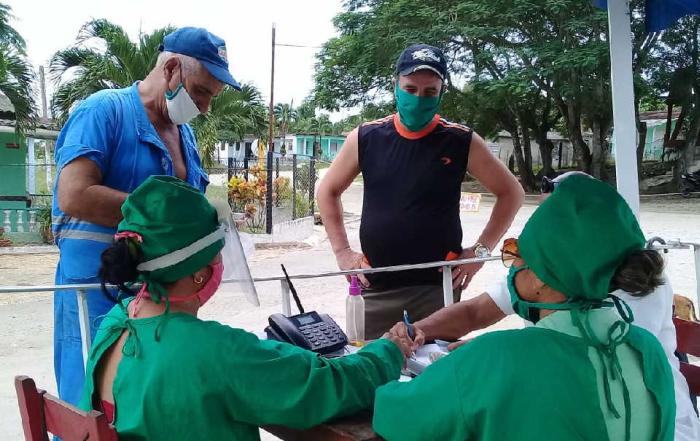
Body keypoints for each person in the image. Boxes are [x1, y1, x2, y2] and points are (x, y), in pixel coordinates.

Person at [80, 175, 412, 441]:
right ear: (199, 274)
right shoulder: (214, 352)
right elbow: (329, 387)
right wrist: (390, 351)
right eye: (218, 253)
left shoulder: (117, 320)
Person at [374, 175, 675, 441]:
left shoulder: (496, 358)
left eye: (518, 252)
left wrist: (385, 355)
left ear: (543, 278)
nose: (512, 263)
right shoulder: (647, 350)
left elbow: (395, 416)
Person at [51, 27, 239, 406]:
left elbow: (191, 212)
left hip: (159, 300)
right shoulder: (103, 111)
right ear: (171, 68)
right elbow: (74, 195)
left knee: (150, 409)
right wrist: (162, 215)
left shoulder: (183, 136)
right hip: (94, 293)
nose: (205, 107)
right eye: (201, 92)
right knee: (91, 408)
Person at [317, 43, 524, 338]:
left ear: (442, 93)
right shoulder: (366, 137)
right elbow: (327, 191)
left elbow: (511, 193)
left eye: (430, 92)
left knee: (435, 375)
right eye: (410, 89)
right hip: (374, 288)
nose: (418, 99)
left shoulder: (460, 141)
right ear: (395, 85)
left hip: (437, 289)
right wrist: (342, 253)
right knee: (371, 372)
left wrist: (480, 252)